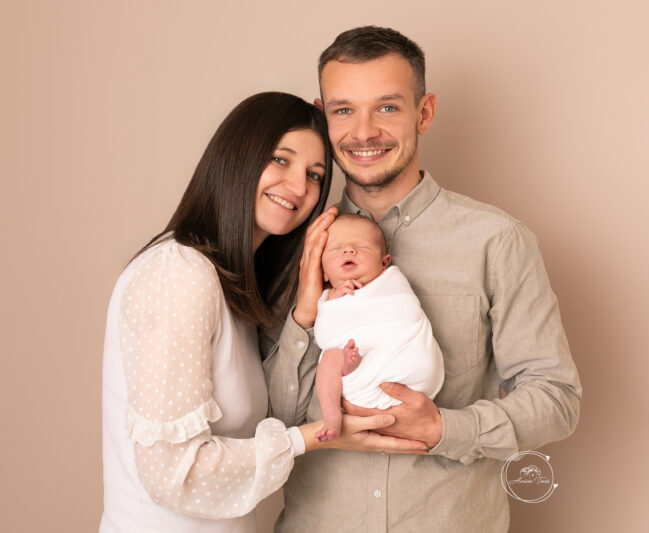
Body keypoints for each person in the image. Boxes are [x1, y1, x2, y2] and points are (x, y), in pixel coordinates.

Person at [262, 28, 583, 532]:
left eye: (387, 107)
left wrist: (446, 429)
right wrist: (304, 314)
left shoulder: (497, 240)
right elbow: (271, 416)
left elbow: (556, 397)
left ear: (425, 112)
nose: (363, 132)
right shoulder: (289, 244)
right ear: (324, 116)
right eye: (344, 110)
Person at [99, 92, 427, 533]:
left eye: (314, 175)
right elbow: (173, 472)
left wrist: (307, 312)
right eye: (280, 160)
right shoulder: (179, 274)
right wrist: (318, 437)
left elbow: (279, 410)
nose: (298, 187)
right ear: (237, 157)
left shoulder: (230, 286)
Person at [313, 213, 444, 442]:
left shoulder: (391, 283)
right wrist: (334, 301)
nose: (348, 251)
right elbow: (326, 335)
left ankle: (348, 364)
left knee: (332, 357)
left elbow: (406, 312)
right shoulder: (327, 301)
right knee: (330, 357)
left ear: (384, 262)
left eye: (361, 246)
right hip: (361, 382)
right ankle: (332, 413)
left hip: (406, 360)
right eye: (336, 249)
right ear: (323, 271)